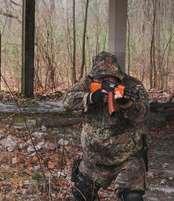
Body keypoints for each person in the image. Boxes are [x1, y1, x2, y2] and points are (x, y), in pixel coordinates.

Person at [62, 51, 149, 201]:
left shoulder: (132, 86)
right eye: (100, 79)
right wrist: (89, 98)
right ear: (93, 77)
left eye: (108, 78)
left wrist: (127, 105)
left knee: (133, 197)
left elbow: (143, 113)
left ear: (116, 75)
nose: (104, 82)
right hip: (94, 160)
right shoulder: (86, 83)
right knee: (80, 196)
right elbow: (66, 101)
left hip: (126, 158)